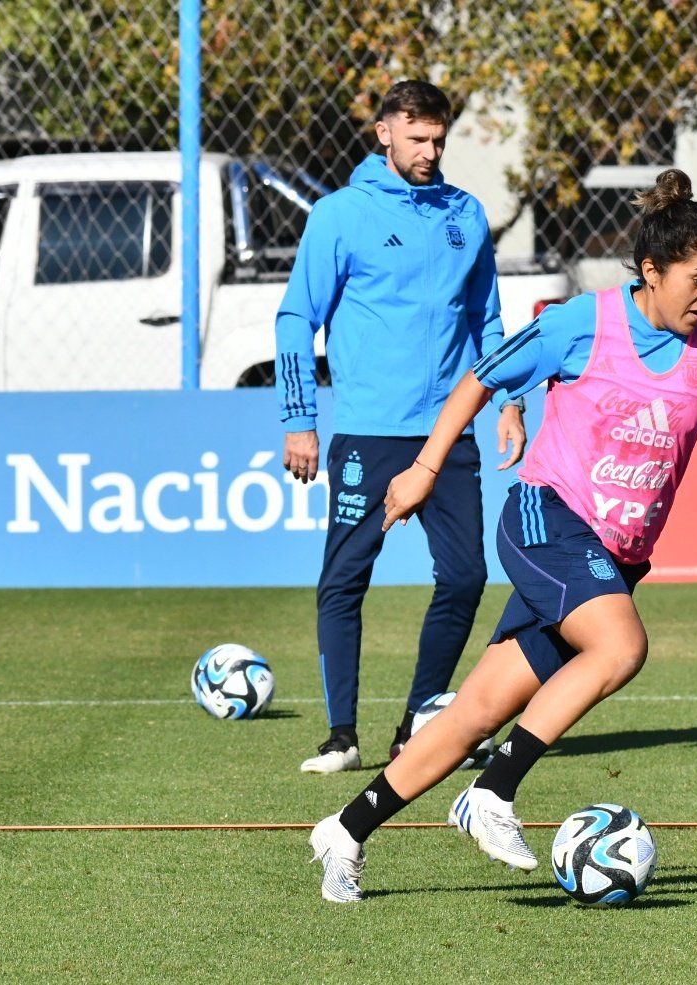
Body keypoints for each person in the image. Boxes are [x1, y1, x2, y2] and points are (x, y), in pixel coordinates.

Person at [307, 168, 697, 903]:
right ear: (652, 270)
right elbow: (480, 379)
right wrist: (423, 467)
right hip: (547, 516)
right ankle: (493, 791)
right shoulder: (586, 321)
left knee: (477, 708)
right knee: (621, 646)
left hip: (611, 557)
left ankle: (346, 830)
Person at [276, 80, 526, 775]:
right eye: (417, 138)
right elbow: (297, 319)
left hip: (448, 432)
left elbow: (487, 322)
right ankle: (341, 735)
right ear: (383, 132)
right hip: (367, 432)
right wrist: (299, 419)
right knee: (344, 577)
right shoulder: (339, 215)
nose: (430, 150)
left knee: (467, 575)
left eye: (438, 139)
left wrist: (508, 398)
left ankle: (418, 720)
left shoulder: (465, 215)